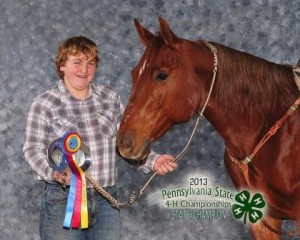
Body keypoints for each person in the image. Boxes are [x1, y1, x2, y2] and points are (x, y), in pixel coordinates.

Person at [23, 36, 177, 240]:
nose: (84, 70)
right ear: (62, 66)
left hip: (107, 199)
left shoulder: (110, 97)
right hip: (63, 199)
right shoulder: (45, 103)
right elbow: (32, 149)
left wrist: (153, 160)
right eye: (77, 62)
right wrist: (55, 173)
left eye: (90, 63)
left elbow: (123, 143)